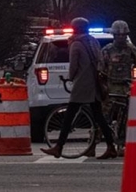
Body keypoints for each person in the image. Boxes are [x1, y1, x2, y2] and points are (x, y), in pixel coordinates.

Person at [40, 17, 117, 160]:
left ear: (75, 29)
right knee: (99, 117)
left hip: (82, 84)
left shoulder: (76, 44)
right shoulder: (93, 41)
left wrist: (70, 78)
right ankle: (111, 146)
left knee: (69, 116)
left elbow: (74, 66)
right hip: (95, 83)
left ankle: (58, 147)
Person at [99, 20, 136, 155]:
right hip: (110, 87)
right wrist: (101, 85)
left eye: (123, 35)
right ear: (114, 35)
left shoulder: (131, 50)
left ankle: (121, 144)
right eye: (118, 35)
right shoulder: (107, 50)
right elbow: (100, 70)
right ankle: (99, 140)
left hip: (125, 87)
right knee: (104, 116)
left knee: (125, 116)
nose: (121, 38)